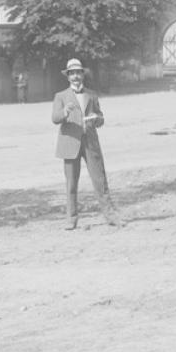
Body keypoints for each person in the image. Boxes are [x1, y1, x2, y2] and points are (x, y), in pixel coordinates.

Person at [50, 58, 123, 230]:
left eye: (78, 72)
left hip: (90, 142)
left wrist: (98, 119)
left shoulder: (91, 94)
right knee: (71, 183)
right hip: (70, 143)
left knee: (100, 180)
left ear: (83, 74)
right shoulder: (60, 96)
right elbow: (54, 118)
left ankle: (111, 216)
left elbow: (100, 117)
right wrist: (64, 112)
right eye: (72, 73)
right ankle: (71, 219)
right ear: (68, 77)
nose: (75, 76)